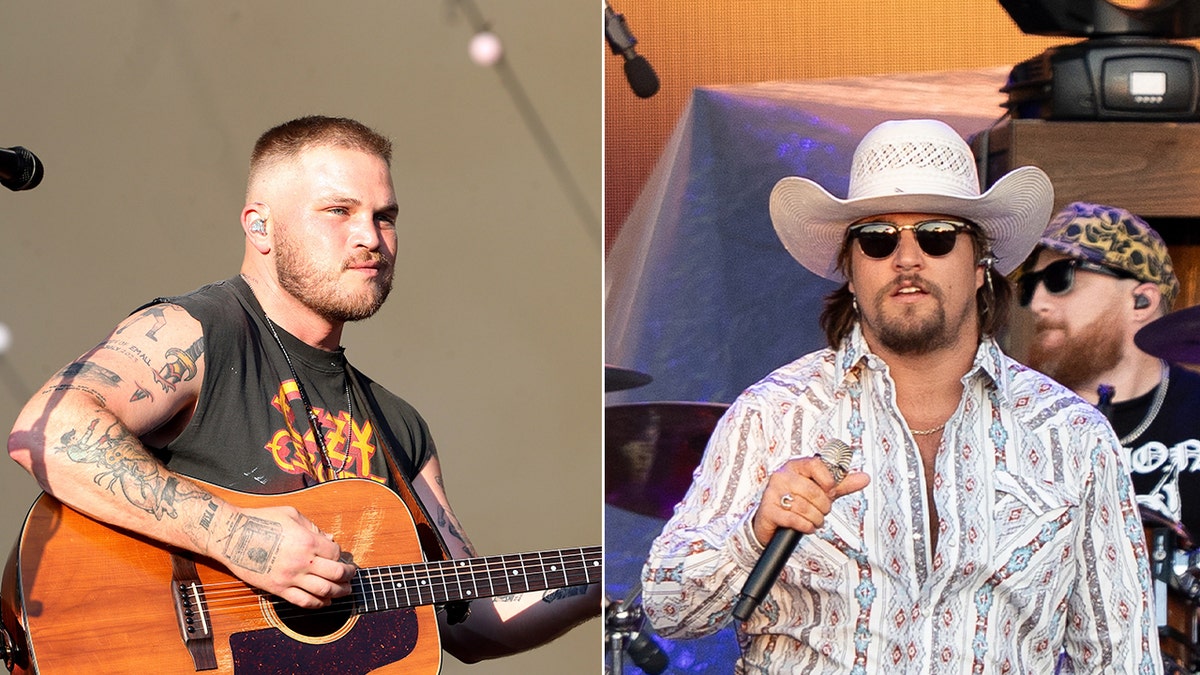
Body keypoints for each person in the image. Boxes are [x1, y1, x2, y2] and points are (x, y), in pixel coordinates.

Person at [6, 115, 599, 666]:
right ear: (259, 226)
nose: (370, 236)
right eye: (338, 211)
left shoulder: (400, 428)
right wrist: (234, 536)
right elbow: (49, 431)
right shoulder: (199, 332)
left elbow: (469, 616)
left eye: (385, 216)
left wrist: (612, 579)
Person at [641, 119, 1160, 672]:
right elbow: (670, 609)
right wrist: (753, 531)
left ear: (982, 264)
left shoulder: (1073, 436)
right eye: (877, 238)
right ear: (850, 269)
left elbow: (1121, 659)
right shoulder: (774, 414)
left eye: (936, 235)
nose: (907, 258)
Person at [1018, 202, 1200, 539]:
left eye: (1061, 278)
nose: (1037, 302)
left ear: (1140, 302)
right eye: (1030, 286)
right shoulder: (1019, 424)